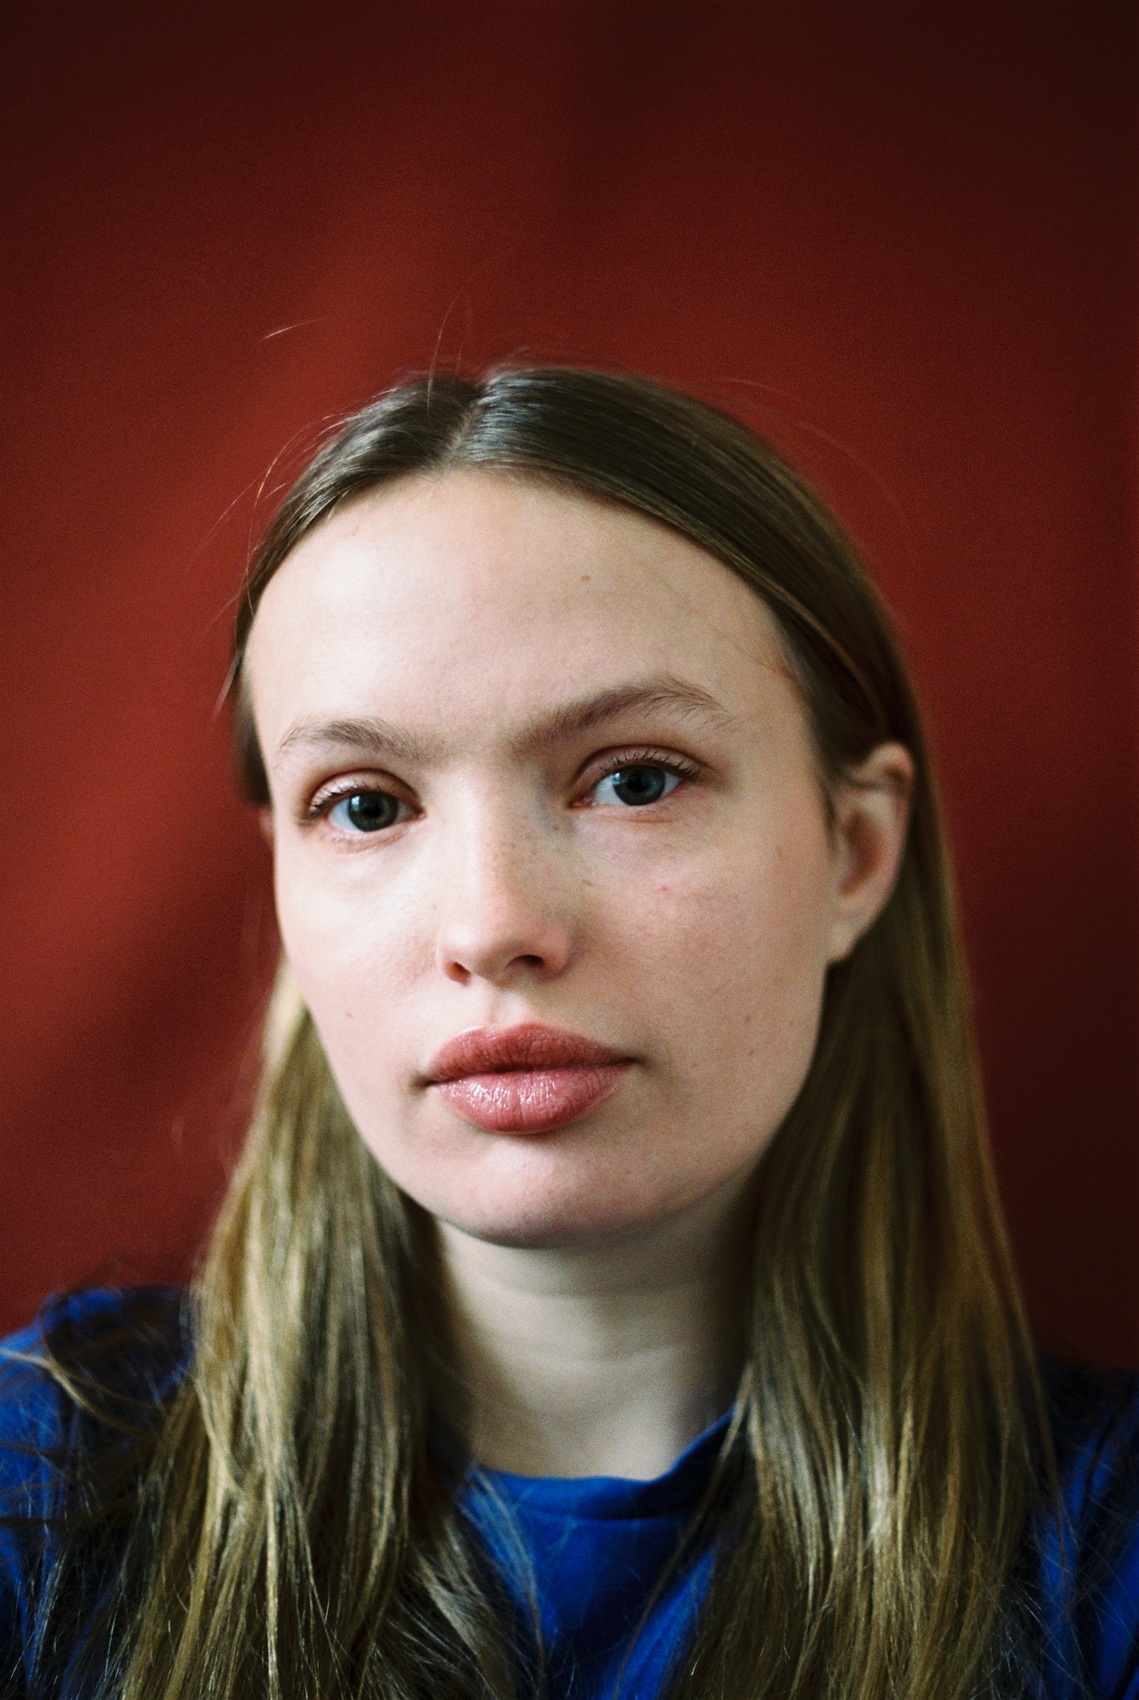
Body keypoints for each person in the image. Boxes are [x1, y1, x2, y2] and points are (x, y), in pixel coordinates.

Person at [1, 366, 1137, 1700]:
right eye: (366, 806)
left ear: (855, 851)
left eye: (635, 781)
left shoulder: (1102, 1566)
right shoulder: (41, 1483)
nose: (492, 925)